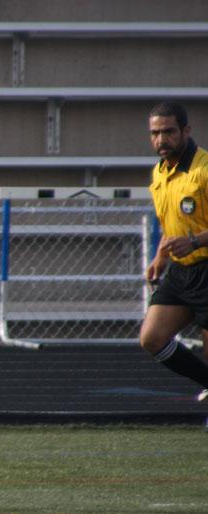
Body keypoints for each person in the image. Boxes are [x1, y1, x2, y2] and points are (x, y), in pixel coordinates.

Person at [140, 101, 208, 402]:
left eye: (168, 131)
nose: (161, 139)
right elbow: (171, 224)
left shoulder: (203, 170)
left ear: (186, 131)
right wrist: (160, 257)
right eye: (155, 133)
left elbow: (189, 234)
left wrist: (194, 242)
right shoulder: (159, 173)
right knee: (151, 338)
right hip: (181, 273)